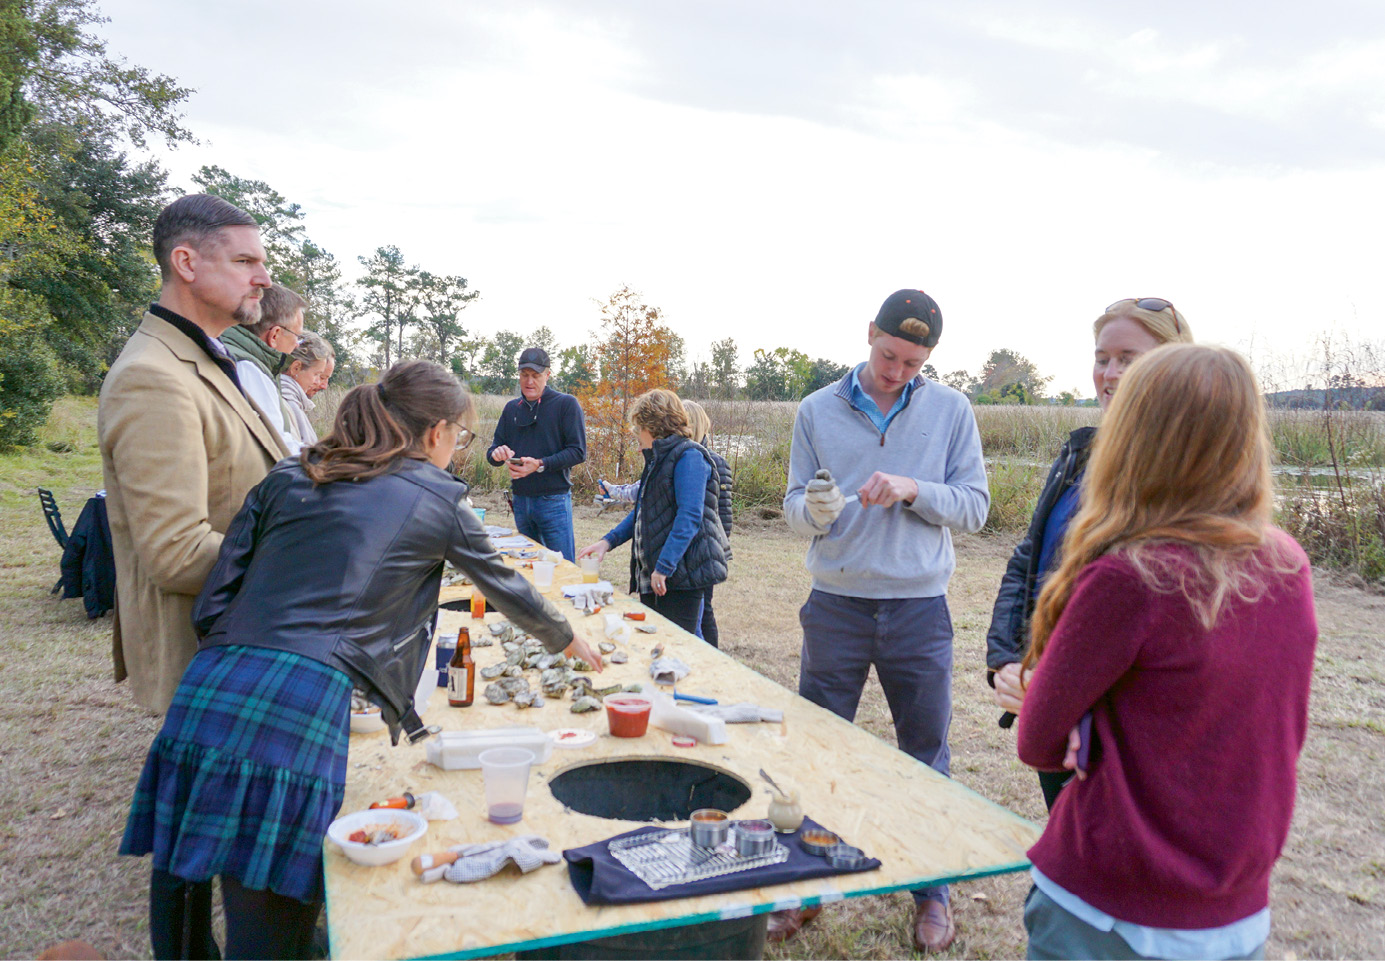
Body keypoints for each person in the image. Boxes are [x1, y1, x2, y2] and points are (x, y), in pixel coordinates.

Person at [120, 360, 604, 960]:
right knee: (272, 926)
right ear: (436, 433)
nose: (459, 449)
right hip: (297, 706)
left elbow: (217, 595)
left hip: (208, 687)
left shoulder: (290, 475)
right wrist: (567, 638)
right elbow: (505, 585)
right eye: (462, 437)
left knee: (186, 882)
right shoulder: (438, 496)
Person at [1016, 344, 1317, 961]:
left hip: (1107, 915)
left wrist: (1082, 720)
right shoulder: (1287, 563)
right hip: (1235, 909)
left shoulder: (1133, 575)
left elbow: (1036, 741)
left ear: (1136, 438)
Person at [780, 288, 989, 952]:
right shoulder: (815, 409)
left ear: (928, 357)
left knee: (924, 756)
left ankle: (932, 891)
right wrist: (811, 510)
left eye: (910, 361)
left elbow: (974, 506)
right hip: (835, 607)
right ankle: (807, 884)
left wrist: (912, 488)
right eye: (886, 354)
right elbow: (792, 507)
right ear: (867, 333)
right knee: (819, 751)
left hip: (917, 610)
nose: (895, 370)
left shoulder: (952, 410)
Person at [986, 297, 1193, 809]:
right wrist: (1008, 661)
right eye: (1103, 358)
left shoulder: (1193, 471)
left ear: (1174, 367)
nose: (1112, 373)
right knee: (1068, 836)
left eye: (1131, 359)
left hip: (1130, 722)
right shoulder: (1080, 456)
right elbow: (1030, 559)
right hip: (1054, 702)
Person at [99, 193, 288, 718]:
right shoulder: (152, 377)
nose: (264, 278)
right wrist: (315, 562)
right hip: (209, 656)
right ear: (186, 263)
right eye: (245, 261)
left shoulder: (201, 355)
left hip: (238, 640)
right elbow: (177, 553)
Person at [577, 389, 729, 637]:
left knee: (678, 645)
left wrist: (665, 566)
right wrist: (607, 542)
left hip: (680, 578)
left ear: (653, 425)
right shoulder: (659, 459)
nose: (637, 434)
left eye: (639, 427)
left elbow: (689, 517)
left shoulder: (689, 456)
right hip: (658, 576)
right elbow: (643, 511)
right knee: (655, 641)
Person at [487, 347, 587, 560]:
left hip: (553, 501)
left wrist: (540, 464)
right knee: (528, 566)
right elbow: (492, 452)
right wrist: (497, 454)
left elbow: (578, 452)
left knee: (562, 567)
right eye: (524, 375)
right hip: (521, 501)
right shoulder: (511, 409)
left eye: (535, 375)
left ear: (547, 375)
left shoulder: (566, 405)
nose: (529, 381)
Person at [222, 282, 307, 453]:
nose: (297, 345)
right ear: (275, 335)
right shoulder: (249, 369)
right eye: (297, 336)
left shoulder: (227, 351)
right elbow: (278, 446)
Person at [279, 330, 335, 446]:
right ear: (296, 368)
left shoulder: (285, 398)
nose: (318, 382)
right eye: (317, 375)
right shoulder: (287, 403)